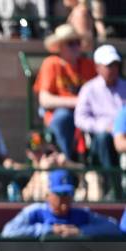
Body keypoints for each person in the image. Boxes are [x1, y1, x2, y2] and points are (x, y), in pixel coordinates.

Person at [34, 24, 96, 159]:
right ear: (60, 46)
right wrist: (77, 102)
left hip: (89, 113)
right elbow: (45, 100)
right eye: (70, 43)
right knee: (64, 117)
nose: (75, 47)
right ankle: (66, 162)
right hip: (61, 116)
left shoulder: (89, 65)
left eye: (77, 42)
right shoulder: (51, 63)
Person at [74, 44, 124, 170]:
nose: (113, 69)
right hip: (101, 138)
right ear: (97, 67)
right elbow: (80, 119)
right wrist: (103, 127)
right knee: (104, 139)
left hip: (123, 134)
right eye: (108, 65)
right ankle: (112, 184)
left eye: (115, 64)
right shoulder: (88, 89)